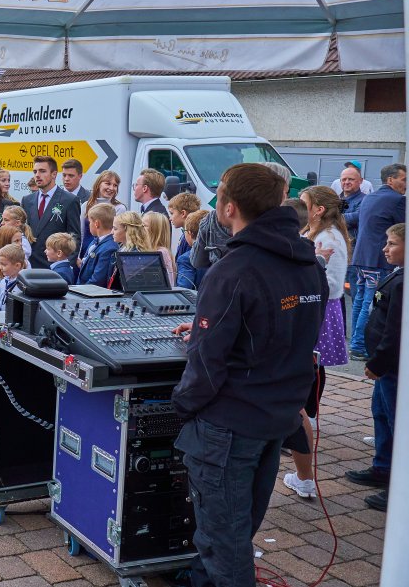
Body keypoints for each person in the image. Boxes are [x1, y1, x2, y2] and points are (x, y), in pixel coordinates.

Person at [169, 163, 327, 587]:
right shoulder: (308, 262)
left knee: (225, 540)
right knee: (240, 526)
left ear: (229, 207)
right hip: (277, 416)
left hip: (229, 425)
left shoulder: (233, 269)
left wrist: (183, 406)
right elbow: (291, 329)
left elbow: (207, 362)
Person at [280, 186, 352, 500]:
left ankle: (306, 419)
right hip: (316, 304)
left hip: (321, 306)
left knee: (312, 367)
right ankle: (303, 421)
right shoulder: (318, 234)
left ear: (318, 209)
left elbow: (331, 283)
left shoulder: (329, 238)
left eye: (305, 204)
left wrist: (313, 265)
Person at [345, 223, 403, 512]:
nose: (384, 249)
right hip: (384, 367)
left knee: (396, 422)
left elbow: (395, 331)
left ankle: (398, 486)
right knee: (381, 414)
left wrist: (378, 362)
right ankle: (383, 467)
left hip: (391, 366)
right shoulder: (397, 275)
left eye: (392, 243)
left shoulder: (403, 283)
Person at [349, 163, 407, 361]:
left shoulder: (370, 197)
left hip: (361, 257)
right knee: (371, 303)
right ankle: (360, 345)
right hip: (379, 259)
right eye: (404, 179)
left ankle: (356, 344)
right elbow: (402, 230)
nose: (406, 184)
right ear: (390, 180)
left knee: (360, 302)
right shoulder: (398, 200)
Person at [22, 155, 82, 269]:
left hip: (55, 267)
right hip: (30, 266)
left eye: (42, 171)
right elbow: (23, 233)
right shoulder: (27, 200)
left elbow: (74, 237)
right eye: (35, 172)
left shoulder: (69, 200)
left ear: (54, 174)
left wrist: (67, 266)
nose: (37, 175)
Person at [79, 170, 125, 257]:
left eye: (115, 185)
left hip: (105, 253)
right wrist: (77, 256)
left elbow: (118, 236)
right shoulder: (86, 205)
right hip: (84, 253)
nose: (111, 188)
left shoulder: (119, 208)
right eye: (108, 184)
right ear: (99, 184)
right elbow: (80, 233)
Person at [77, 203, 119, 288]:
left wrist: (79, 290)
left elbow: (98, 280)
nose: (89, 225)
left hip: (90, 292)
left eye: (90, 222)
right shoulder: (95, 241)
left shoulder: (109, 248)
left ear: (96, 223)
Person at [176, 209, 209, 290]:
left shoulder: (186, 259)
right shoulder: (222, 252)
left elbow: (184, 290)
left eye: (184, 231)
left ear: (189, 233)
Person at [142, 212, 176, 286]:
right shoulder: (147, 250)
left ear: (155, 230)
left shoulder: (162, 252)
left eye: (144, 225)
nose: (140, 228)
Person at [0, 244, 27, 312]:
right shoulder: (3, 282)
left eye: (4, 264)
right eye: (0, 264)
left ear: (17, 265)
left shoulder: (23, 286)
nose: (0, 267)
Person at [167, 192, 201, 257]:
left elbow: (184, 261)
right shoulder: (185, 234)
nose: (170, 218)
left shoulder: (190, 238)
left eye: (172, 213)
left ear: (183, 213)